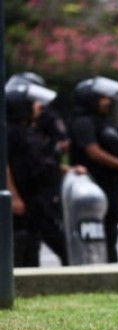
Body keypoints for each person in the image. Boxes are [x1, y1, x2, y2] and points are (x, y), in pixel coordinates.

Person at [69, 76, 118, 263]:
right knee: (97, 232)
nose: (108, 101)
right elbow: (94, 152)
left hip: (111, 184)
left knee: (112, 231)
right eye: (103, 98)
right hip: (94, 185)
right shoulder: (83, 122)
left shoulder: (103, 121)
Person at [7, 80, 85, 266]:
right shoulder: (10, 132)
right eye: (34, 103)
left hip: (38, 197)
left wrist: (66, 169)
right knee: (20, 243)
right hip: (23, 196)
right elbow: (5, 165)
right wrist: (14, 197)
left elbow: (35, 162)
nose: (39, 106)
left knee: (33, 243)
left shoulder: (28, 130)